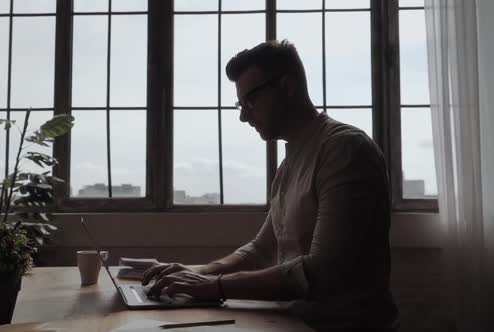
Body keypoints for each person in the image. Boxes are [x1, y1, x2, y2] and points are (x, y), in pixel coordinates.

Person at [142, 40, 399, 331]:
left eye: (250, 100)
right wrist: (197, 271)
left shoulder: (345, 150)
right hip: (290, 321)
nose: (243, 115)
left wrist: (214, 286)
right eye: (240, 104)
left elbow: (322, 272)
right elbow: (260, 249)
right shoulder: (289, 163)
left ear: (288, 87)